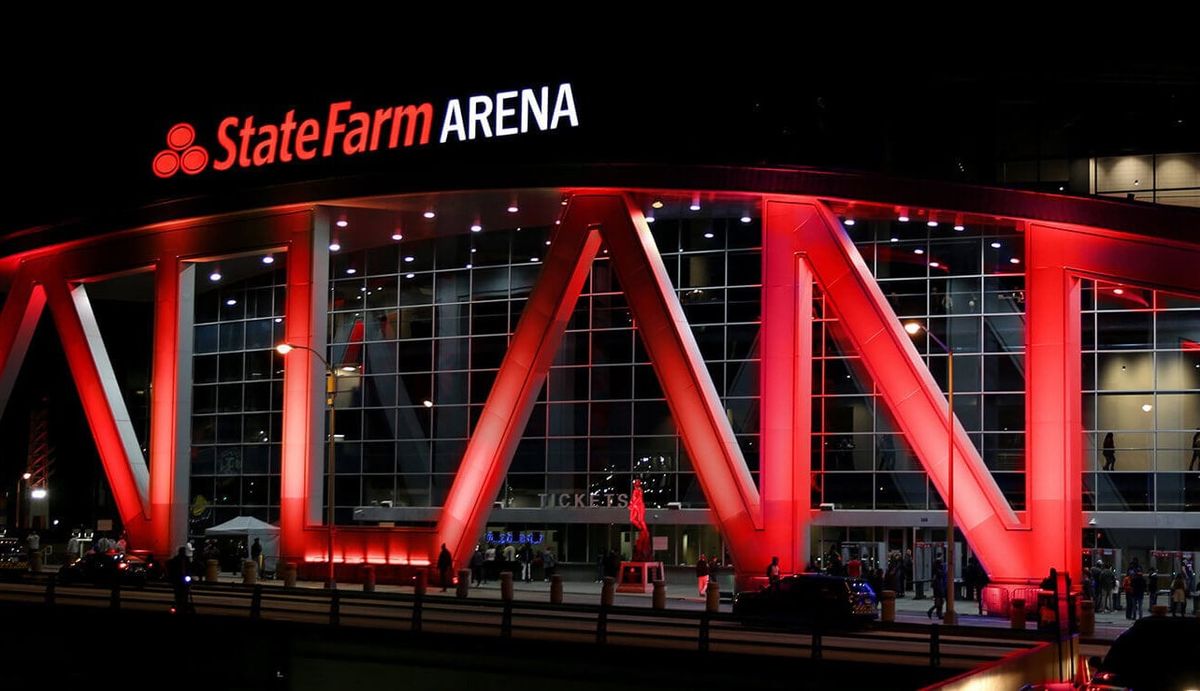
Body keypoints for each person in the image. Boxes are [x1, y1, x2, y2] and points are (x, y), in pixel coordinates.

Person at [166, 545, 193, 614]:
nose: (183, 552)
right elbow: (172, 567)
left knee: (185, 592)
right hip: (178, 578)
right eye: (182, 551)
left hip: (184, 577)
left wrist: (189, 575)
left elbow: (189, 567)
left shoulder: (186, 559)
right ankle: (179, 605)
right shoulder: (176, 559)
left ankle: (184, 605)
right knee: (178, 593)